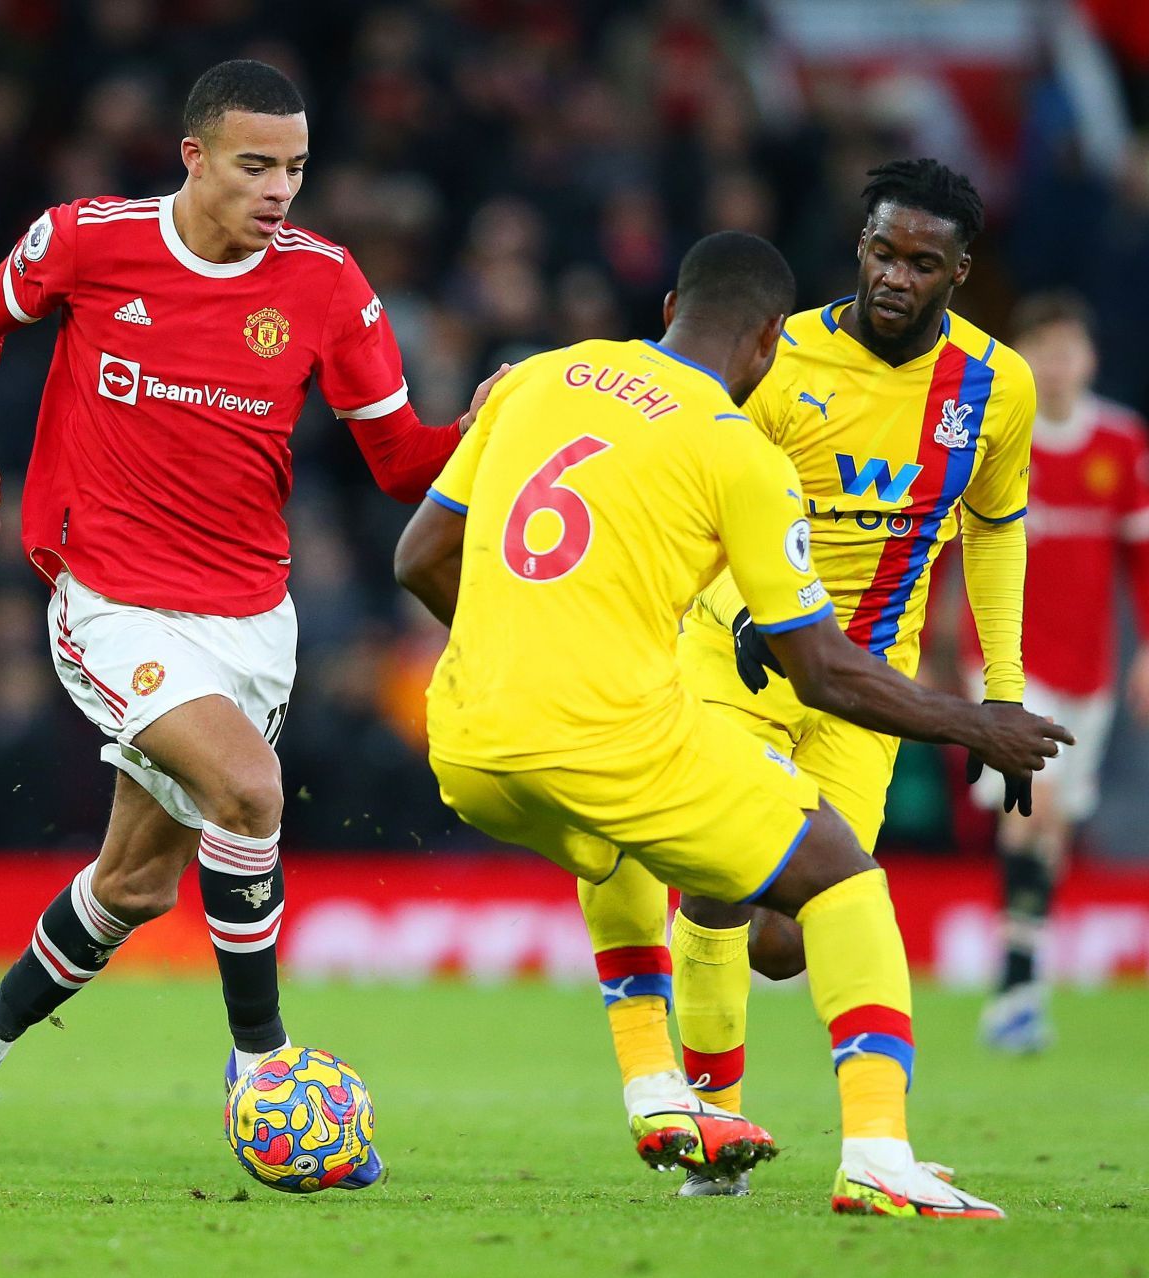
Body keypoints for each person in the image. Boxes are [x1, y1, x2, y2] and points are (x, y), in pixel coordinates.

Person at [0, 59, 503, 1189]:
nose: (280, 189)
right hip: (110, 598)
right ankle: (263, 1071)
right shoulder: (90, 241)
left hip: (251, 620)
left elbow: (397, 463)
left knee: (132, 887)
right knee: (251, 793)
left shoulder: (325, 284)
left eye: (296, 167)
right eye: (255, 165)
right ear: (194, 157)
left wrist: (484, 429)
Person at [397, 229, 1067, 1218]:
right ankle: (878, 1151)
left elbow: (418, 557)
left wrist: (519, 651)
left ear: (668, 307)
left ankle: (657, 1088)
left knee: (621, 844)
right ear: (766, 347)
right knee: (837, 873)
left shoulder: (541, 376)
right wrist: (977, 725)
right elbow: (825, 670)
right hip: (610, 735)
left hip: (465, 743)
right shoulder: (736, 448)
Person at [575, 159, 1038, 1196]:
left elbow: (996, 531)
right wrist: (745, 611)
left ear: (960, 273)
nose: (895, 277)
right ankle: (718, 1129)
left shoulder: (996, 388)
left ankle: (760, 1114)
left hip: (869, 689)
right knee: (719, 881)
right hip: (738, 660)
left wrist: (999, 691)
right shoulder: (778, 361)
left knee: (791, 936)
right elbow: (700, 486)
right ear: (858, 248)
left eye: (923, 262)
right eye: (882, 251)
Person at [963, 292, 1149, 1051]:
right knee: (1031, 806)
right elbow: (956, 547)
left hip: (1091, 667)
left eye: (1068, 350)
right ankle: (1015, 980)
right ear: (1023, 359)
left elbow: (1140, 558)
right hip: (1009, 662)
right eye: (1042, 351)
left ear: (1090, 358)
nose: (1057, 364)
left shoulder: (1122, 440)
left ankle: (1023, 976)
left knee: (1056, 823)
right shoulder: (999, 435)